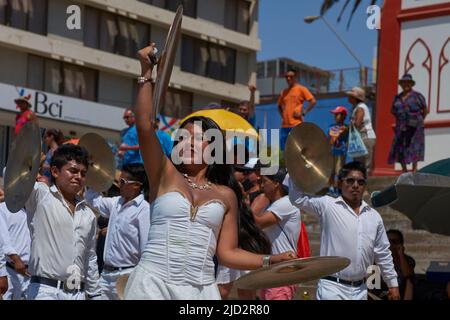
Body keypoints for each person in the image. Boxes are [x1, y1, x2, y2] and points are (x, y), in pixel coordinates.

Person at [123, 43, 296, 300]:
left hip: (201, 292)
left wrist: (272, 260)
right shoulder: (163, 173)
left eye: (198, 138)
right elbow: (145, 125)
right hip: (151, 285)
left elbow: (228, 253)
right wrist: (146, 73)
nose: (189, 143)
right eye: (183, 138)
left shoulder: (227, 195)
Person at [289, 161, 400, 300]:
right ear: (340, 183)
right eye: (350, 180)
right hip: (332, 287)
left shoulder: (374, 217)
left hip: (361, 289)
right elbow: (297, 198)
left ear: (365, 186)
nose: (355, 185)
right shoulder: (327, 205)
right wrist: (295, 167)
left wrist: (393, 284)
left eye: (360, 182)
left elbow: (383, 253)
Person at [24, 144, 101, 300]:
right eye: (73, 171)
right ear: (54, 171)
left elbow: (90, 257)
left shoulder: (88, 215)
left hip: (78, 293)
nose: (78, 176)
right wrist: (32, 162)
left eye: (83, 173)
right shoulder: (41, 195)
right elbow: (17, 179)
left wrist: (95, 295)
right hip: (45, 291)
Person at [85, 163, 151, 300]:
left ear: (136, 185)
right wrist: (92, 174)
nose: (118, 184)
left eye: (122, 181)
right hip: (105, 276)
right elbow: (93, 200)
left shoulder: (144, 209)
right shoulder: (116, 203)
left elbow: (146, 249)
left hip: (127, 277)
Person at [256, 168, 301, 300]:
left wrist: (238, 201)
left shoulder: (286, 203)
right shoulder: (274, 205)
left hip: (282, 272)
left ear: (276, 183)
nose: (262, 185)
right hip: (274, 269)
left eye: (264, 181)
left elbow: (258, 223)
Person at [388, 74, 427, 173]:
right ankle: (404, 170)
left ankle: (414, 169)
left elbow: (425, 110)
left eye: (408, 82)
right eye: (404, 82)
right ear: (401, 84)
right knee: (400, 146)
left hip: (415, 126)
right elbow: (393, 111)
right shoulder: (397, 98)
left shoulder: (418, 96)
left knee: (415, 146)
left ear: (411, 84)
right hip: (401, 126)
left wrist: (419, 120)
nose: (406, 84)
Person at [278, 69, 316, 151]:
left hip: (296, 125)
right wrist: (283, 116)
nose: (288, 78)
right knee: (284, 151)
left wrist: (303, 113)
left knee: (297, 150)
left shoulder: (301, 89)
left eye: (291, 76)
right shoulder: (283, 92)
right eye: (286, 77)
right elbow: (279, 106)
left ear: (295, 77)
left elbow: (313, 101)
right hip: (284, 126)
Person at [0, 200, 31, 300]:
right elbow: (3, 239)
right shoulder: (3, 208)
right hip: (10, 270)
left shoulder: (35, 209)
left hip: (31, 272)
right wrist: (16, 259)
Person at [347, 87, 376, 173]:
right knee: (359, 165)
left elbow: (357, 124)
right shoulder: (357, 107)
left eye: (350, 96)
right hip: (361, 138)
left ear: (355, 98)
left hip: (365, 137)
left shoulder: (360, 108)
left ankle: (364, 184)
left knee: (363, 165)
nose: (348, 97)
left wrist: (345, 129)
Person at [386, 229, 415, 300]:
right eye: (387, 241)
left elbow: (408, 275)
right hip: (382, 291)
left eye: (394, 242)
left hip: (400, 292)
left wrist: (400, 254)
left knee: (410, 281)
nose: (390, 244)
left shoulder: (407, 260)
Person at [328, 106, 349, 194]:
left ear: (344, 116)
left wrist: (344, 130)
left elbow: (346, 135)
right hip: (331, 152)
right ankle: (330, 187)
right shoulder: (331, 126)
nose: (335, 116)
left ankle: (338, 188)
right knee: (330, 170)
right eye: (335, 114)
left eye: (337, 114)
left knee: (339, 171)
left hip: (341, 153)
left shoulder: (346, 127)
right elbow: (330, 139)